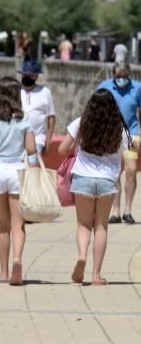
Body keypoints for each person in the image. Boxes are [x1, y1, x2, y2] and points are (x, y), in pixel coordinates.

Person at [59, 89, 131, 285]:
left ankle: (82, 256)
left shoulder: (81, 122)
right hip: (107, 180)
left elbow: (61, 149)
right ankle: (96, 275)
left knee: (83, 224)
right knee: (101, 226)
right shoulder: (120, 128)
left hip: (83, 177)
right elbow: (126, 156)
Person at [0, 78, 40, 287]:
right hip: (17, 171)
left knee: (2, 225)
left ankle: (4, 271)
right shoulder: (24, 120)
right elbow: (31, 150)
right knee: (18, 223)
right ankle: (18, 260)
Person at [97, 65, 141, 224]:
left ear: (129, 73)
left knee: (131, 169)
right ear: (113, 73)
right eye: (119, 75)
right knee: (114, 172)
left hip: (132, 133)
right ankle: (115, 211)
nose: (122, 78)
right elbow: (97, 108)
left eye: (124, 75)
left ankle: (128, 210)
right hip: (111, 133)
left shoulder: (137, 88)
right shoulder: (104, 86)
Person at [19, 60, 56, 159]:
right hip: (16, 140)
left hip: (37, 140)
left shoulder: (45, 92)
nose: (27, 77)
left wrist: (48, 141)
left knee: (32, 169)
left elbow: (51, 118)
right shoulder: (16, 90)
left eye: (30, 75)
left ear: (36, 76)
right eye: (25, 74)